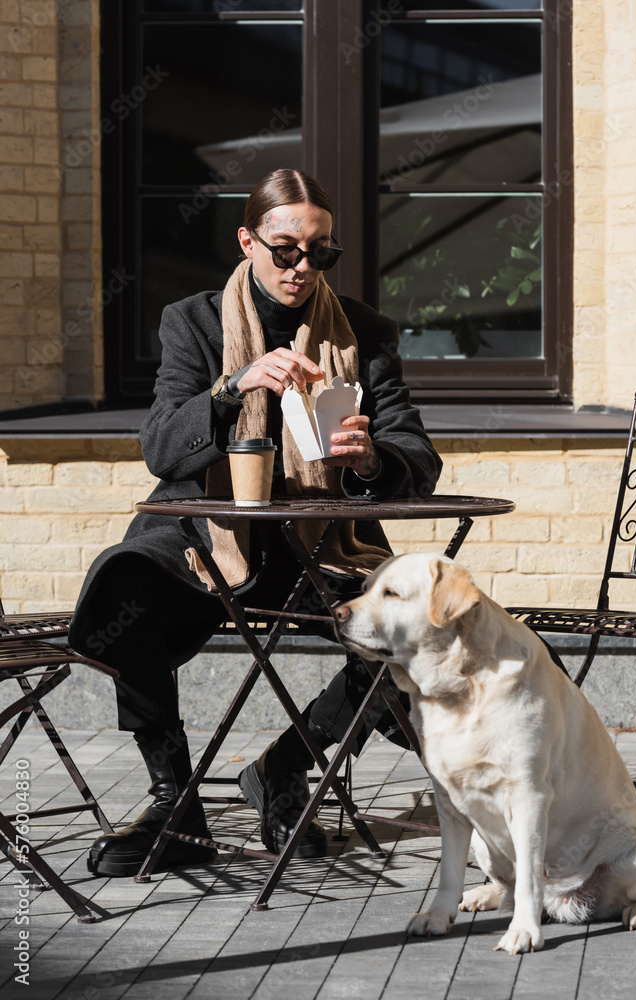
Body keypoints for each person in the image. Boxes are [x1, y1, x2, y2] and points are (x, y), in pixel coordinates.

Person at [69, 169, 442, 877]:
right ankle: (174, 805)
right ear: (247, 242)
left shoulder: (364, 332)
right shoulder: (194, 321)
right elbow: (161, 448)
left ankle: (283, 767)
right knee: (121, 581)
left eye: (320, 252)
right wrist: (231, 387)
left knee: (413, 623)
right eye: (285, 249)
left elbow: (418, 457)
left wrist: (371, 458)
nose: (301, 266)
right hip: (207, 542)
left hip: (322, 545)